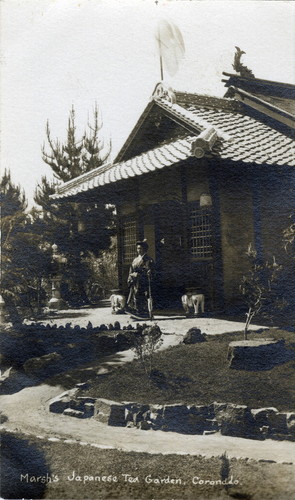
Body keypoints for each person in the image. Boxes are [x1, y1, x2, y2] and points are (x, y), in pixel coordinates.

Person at [127, 240, 155, 318]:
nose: (139, 250)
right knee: (134, 296)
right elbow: (131, 270)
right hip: (135, 281)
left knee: (142, 296)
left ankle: (144, 313)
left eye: (140, 248)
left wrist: (149, 272)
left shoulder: (149, 260)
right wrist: (130, 277)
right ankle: (136, 311)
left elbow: (150, 270)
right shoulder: (135, 260)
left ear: (144, 249)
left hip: (143, 281)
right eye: (138, 248)